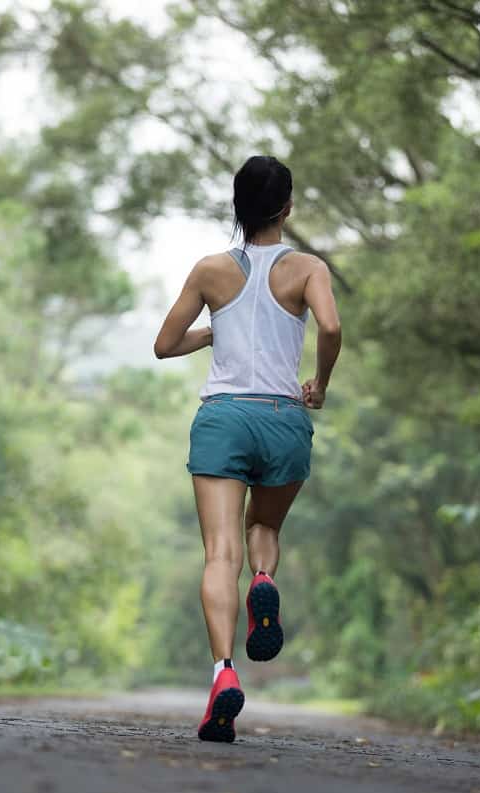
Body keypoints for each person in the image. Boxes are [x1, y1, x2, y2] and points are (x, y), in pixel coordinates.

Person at [153, 155, 342, 743]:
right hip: (284, 417)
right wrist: (320, 385)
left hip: (224, 420)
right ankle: (266, 578)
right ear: (287, 208)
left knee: (218, 553)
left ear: (237, 207)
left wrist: (215, 325)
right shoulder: (308, 268)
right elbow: (332, 329)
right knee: (266, 529)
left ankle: (223, 674)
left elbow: (164, 345)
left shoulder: (211, 270)